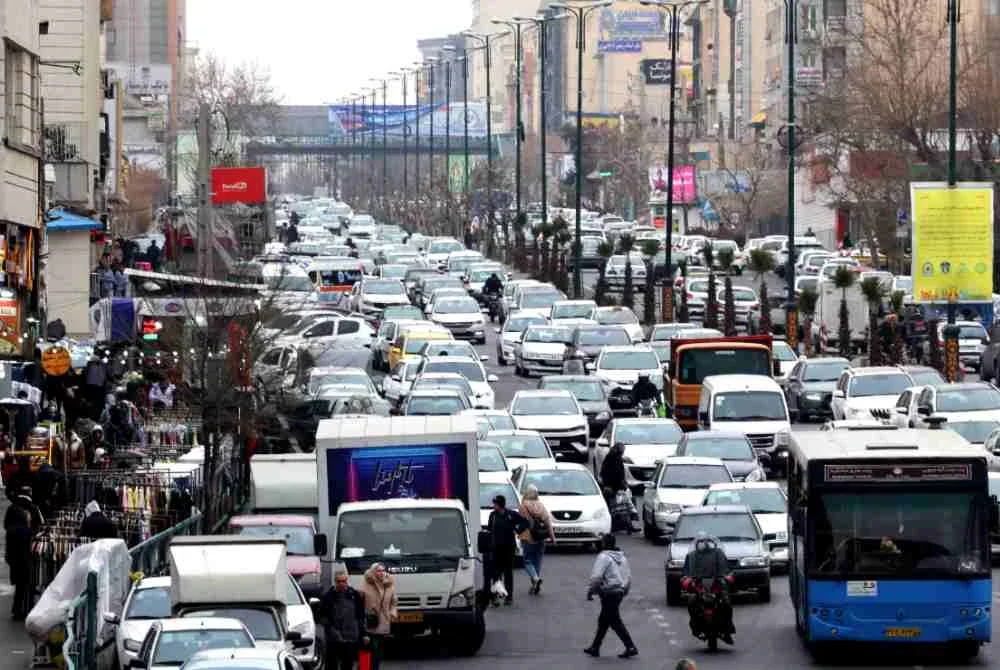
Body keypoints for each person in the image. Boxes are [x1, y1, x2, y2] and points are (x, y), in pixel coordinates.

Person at [584, 534, 637, 658]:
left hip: (608, 593)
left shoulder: (603, 557)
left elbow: (596, 578)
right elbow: (628, 577)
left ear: (604, 544)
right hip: (618, 593)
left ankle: (630, 646)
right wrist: (624, 591)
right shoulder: (622, 558)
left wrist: (591, 592)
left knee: (614, 621)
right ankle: (595, 647)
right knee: (603, 620)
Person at [681, 533, 735, 644]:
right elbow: (685, 573)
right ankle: (696, 628)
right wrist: (687, 581)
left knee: (726, 602)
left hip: (716, 585)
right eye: (702, 542)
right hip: (700, 586)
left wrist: (727, 578)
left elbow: (726, 570)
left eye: (707, 542)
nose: (705, 545)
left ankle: (727, 630)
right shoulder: (692, 556)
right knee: (691, 602)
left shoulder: (719, 554)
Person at [319, 569, 367, 670]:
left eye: (344, 581)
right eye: (339, 581)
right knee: (332, 664)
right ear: (335, 582)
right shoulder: (328, 597)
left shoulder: (354, 595)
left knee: (348, 663)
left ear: (347, 581)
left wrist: (363, 633)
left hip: (350, 637)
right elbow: (322, 616)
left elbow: (361, 616)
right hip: (334, 638)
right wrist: (331, 630)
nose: (341, 584)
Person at [4, 487, 40, 620]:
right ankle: (26, 609)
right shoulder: (31, 511)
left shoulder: (11, 509)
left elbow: (5, 525)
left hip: (13, 556)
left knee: (19, 584)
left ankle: (17, 609)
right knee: (27, 583)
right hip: (25, 557)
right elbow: (39, 525)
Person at [486, 494, 528, 605]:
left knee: (508, 572)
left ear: (500, 504)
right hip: (496, 548)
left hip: (508, 548)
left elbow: (525, 522)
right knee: (496, 573)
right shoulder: (493, 515)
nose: (493, 505)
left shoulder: (511, 514)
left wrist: (518, 531)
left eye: (495, 503)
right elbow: (489, 530)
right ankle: (495, 596)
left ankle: (509, 596)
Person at [517, 484, 555, 595]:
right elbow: (548, 522)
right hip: (541, 537)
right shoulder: (541, 506)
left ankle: (536, 579)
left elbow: (522, 522)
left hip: (528, 537)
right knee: (537, 560)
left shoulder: (523, 505)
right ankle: (535, 585)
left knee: (528, 561)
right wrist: (552, 537)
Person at [360, 562, 397, 670]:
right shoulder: (366, 584)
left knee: (378, 652)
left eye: (382, 570)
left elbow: (394, 602)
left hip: (383, 622)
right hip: (370, 622)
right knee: (367, 650)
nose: (381, 573)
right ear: (373, 571)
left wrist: (392, 613)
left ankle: (373, 667)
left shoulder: (390, 585)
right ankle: (364, 668)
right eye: (378, 570)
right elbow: (360, 603)